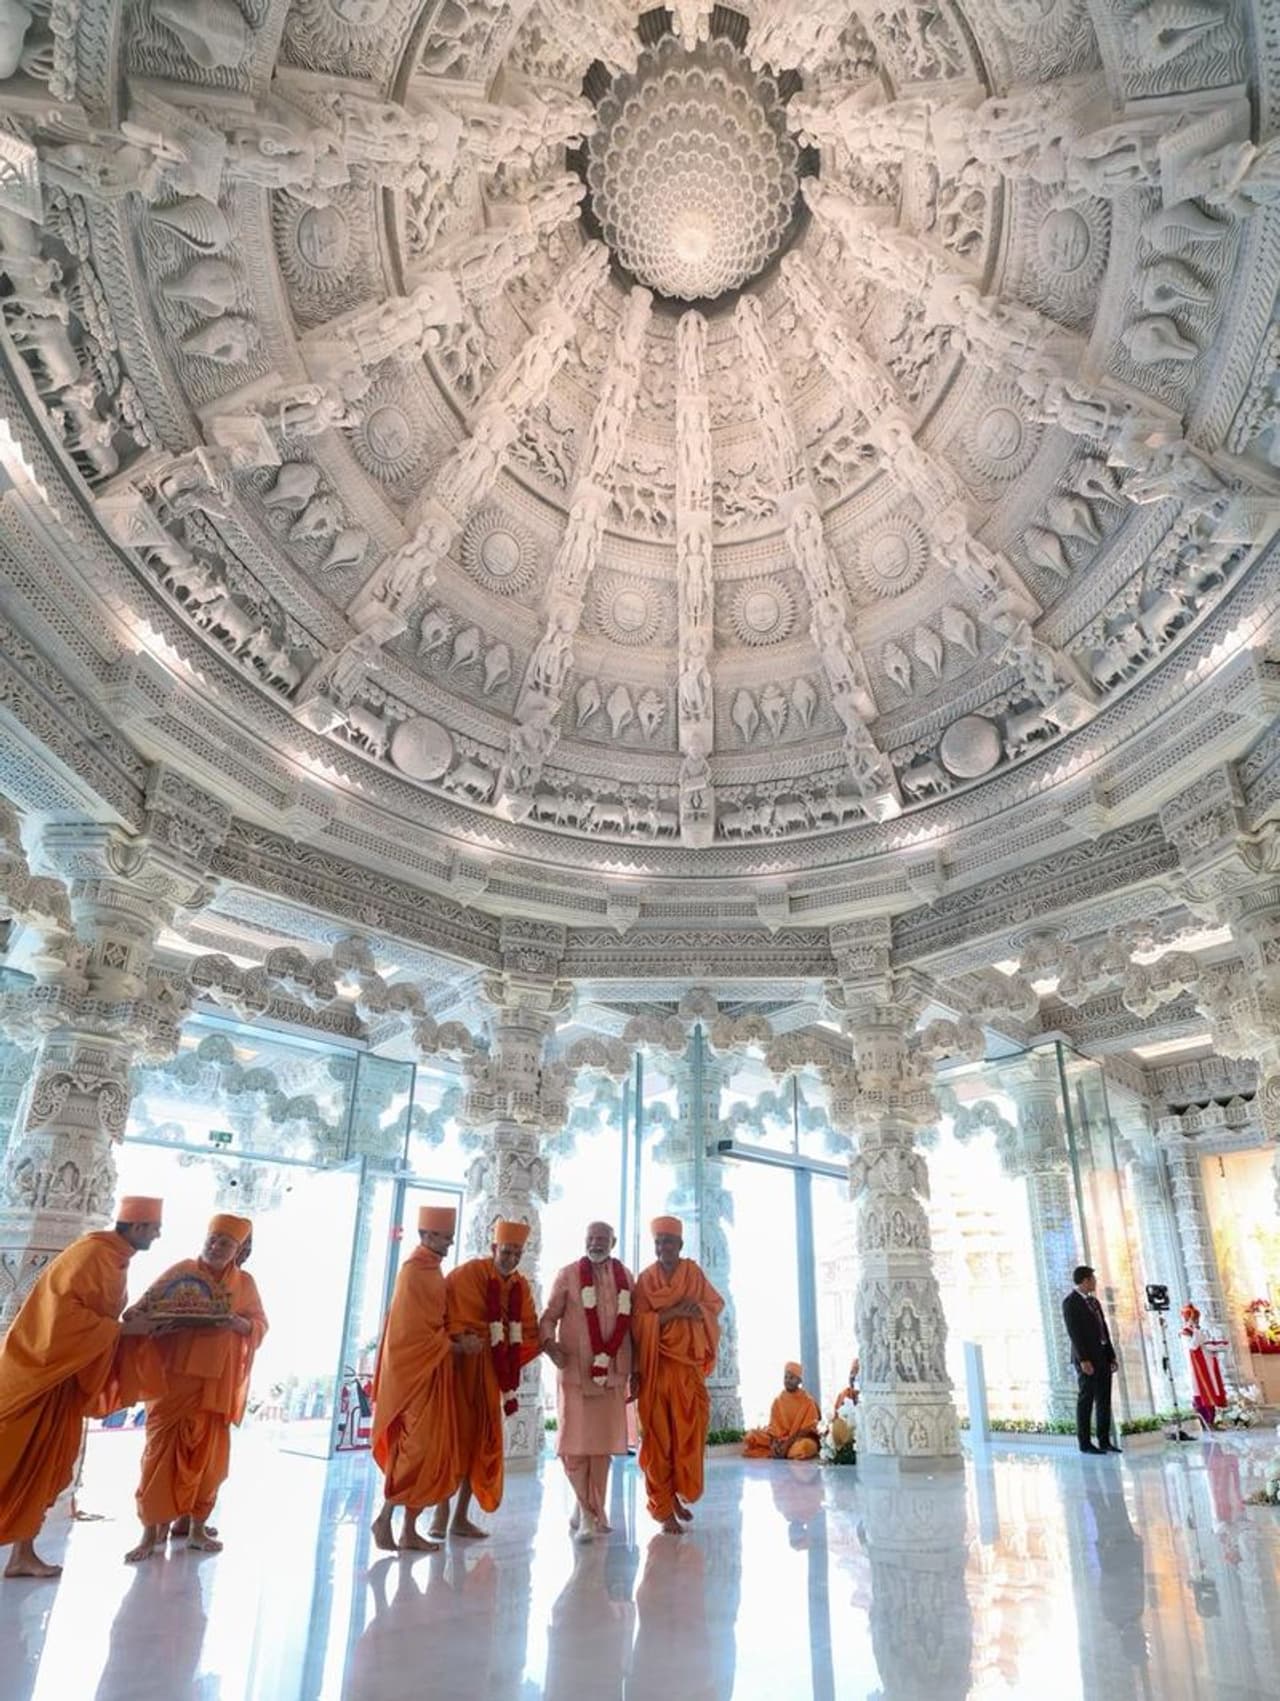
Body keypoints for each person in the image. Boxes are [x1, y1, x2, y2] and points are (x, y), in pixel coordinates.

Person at [0, 1195, 164, 1579]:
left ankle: (22, 1554)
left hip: (64, 1381)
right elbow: (63, 1317)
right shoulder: (93, 1253)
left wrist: (129, 1321)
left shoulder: (114, 1259)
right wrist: (122, 1329)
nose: (158, 1235)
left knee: (46, 1469)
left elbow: (97, 1315)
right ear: (137, 1226)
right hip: (40, 1376)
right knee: (9, 1461)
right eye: (154, 1228)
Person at [125, 1212, 267, 1562]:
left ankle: (197, 1529)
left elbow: (259, 1323)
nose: (216, 1247)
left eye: (226, 1244)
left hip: (215, 1385)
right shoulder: (181, 1272)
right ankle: (150, 1532)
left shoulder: (244, 1283)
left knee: (209, 1461)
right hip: (173, 1383)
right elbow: (138, 1312)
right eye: (212, 1240)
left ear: (238, 1250)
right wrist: (160, 1321)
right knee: (160, 1455)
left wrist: (238, 1323)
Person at [370, 1204, 480, 1553]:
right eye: (442, 1237)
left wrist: (457, 1339)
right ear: (424, 1235)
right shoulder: (413, 1272)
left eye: (450, 1238)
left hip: (435, 1372)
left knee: (431, 1450)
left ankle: (408, 1529)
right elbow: (409, 1333)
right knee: (414, 1450)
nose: (448, 1244)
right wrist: (456, 1347)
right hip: (415, 1376)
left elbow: (437, 1322)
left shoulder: (433, 1271)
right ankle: (385, 1518)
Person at [430, 1220, 540, 1540]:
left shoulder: (521, 1286)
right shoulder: (469, 1274)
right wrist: (460, 1337)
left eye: (517, 1252)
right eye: (506, 1251)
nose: (511, 1258)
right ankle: (440, 1513)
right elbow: (444, 1311)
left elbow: (528, 1329)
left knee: (480, 1443)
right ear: (494, 1248)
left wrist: (547, 1343)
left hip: (492, 1374)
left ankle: (461, 1517)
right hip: (461, 1372)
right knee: (454, 1440)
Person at [539, 1219, 634, 1541]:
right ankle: (588, 1512)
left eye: (602, 1239)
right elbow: (549, 1317)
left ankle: (589, 1510)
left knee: (600, 1449)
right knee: (573, 1446)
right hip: (575, 1374)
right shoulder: (567, 1274)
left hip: (611, 1375)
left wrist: (638, 1368)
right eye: (591, 1237)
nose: (596, 1243)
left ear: (613, 1242)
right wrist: (550, 1346)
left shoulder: (626, 1278)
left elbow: (634, 1323)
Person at [633, 1215, 724, 1534]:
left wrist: (696, 1309)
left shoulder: (692, 1273)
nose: (662, 1248)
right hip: (657, 1370)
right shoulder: (645, 1280)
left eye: (668, 1242)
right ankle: (662, 1509)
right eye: (658, 1242)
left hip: (687, 1370)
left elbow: (714, 1304)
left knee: (688, 1436)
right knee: (660, 1441)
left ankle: (675, 1496)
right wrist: (672, 1312)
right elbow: (637, 1324)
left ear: (680, 1245)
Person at [1063, 1264, 1120, 1455]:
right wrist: (1084, 1359)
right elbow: (1074, 1333)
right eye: (1093, 1279)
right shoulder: (1070, 1302)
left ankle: (1104, 1440)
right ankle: (1085, 1443)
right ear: (1085, 1280)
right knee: (1086, 1400)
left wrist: (1111, 1355)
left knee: (1104, 1399)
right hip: (1087, 1360)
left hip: (1102, 1356)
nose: (1095, 1282)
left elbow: (1103, 1329)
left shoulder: (1094, 1302)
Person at [743, 1362, 822, 1459]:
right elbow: (774, 1429)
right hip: (780, 1440)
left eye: (792, 1378)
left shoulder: (807, 1401)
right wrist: (775, 1444)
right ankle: (778, 1451)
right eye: (786, 1377)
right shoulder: (778, 1401)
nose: (788, 1380)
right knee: (751, 1436)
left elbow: (807, 1430)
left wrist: (787, 1444)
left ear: (799, 1381)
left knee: (803, 1448)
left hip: (798, 1440)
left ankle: (783, 1451)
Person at [1180, 1303, 1228, 1430]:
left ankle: (1211, 1421)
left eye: (1197, 1318)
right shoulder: (1185, 1332)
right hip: (1196, 1368)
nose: (1196, 1320)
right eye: (1193, 1318)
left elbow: (1206, 1343)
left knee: (1210, 1391)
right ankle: (1205, 1423)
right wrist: (1195, 1329)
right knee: (1200, 1394)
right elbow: (1194, 1346)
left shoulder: (1200, 1330)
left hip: (1207, 1365)